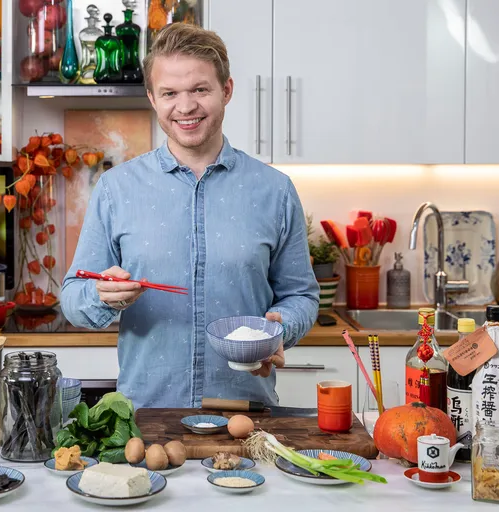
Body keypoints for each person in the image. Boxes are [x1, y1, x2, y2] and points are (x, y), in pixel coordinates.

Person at [60, 23, 319, 409]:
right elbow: (73, 297)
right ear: (152, 98)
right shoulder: (116, 189)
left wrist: (280, 328)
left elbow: (301, 295)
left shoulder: (275, 190)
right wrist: (102, 296)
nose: (185, 107)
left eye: (200, 89)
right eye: (169, 93)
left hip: (246, 416)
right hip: (146, 419)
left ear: (226, 90)